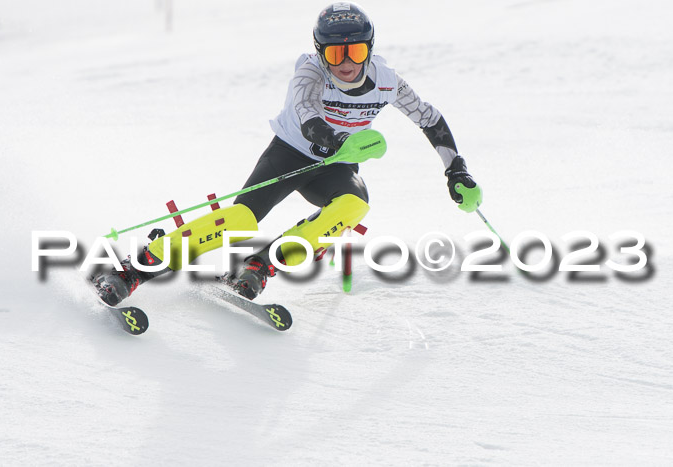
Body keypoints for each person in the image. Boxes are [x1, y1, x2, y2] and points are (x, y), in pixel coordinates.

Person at [93, 2, 482, 306]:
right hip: (291, 154)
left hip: (336, 167)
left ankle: (261, 265)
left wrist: (456, 170)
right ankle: (137, 268)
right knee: (239, 220)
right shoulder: (309, 74)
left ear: (370, 48)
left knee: (354, 205)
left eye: (356, 50)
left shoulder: (387, 82)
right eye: (335, 54)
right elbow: (310, 120)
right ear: (320, 52)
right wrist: (339, 141)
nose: (346, 62)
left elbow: (429, 119)